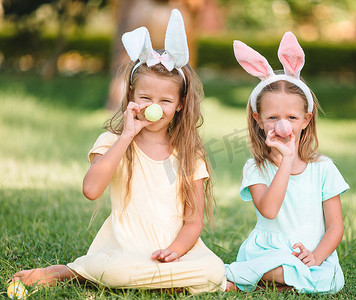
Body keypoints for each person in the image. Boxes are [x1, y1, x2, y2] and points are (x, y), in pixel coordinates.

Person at [12, 9, 226, 294]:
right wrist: (126, 136)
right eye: (146, 97)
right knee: (115, 269)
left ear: (180, 104)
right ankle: (73, 272)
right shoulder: (112, 140)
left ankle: (141, 275)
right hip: (126, 248)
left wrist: (174, 251)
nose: (155, 107)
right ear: (131, 97)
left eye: (165, 100)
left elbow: (194, 219)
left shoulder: (189, 153)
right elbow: (91, 189)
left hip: (176, 248)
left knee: (213, 271)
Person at [225, 32, 349, 294]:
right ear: (258, 120)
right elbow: (269, 211)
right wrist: (287, 159)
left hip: (310, 253)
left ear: (306, 119)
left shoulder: (323, 168)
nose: (282, 125)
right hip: (267, 252)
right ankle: (276, 278)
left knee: (331, 280)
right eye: (272, 117)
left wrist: (316, 256)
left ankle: (263, 280)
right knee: (270, 265)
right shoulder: (255, 167)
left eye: (292, 117)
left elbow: (336, 226)